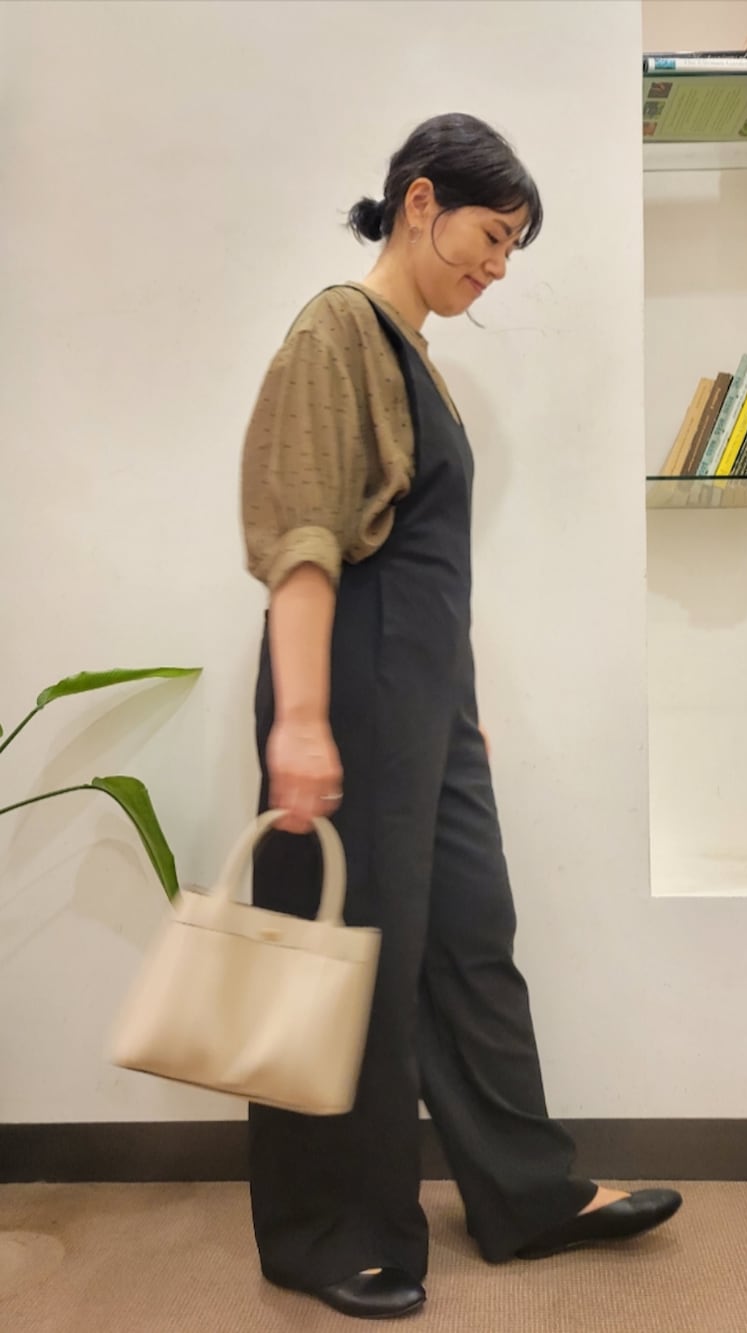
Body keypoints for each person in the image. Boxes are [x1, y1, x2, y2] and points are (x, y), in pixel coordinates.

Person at [240, 112, 682, 1322]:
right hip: (350, 688)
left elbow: (431, 565)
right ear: (421, 201)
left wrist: (460, 710)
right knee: (349, 962)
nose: (498, 267)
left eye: (513, 249)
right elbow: (302, 538)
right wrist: (304, 718)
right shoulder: (338, 329)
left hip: (426, 703)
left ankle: (527, 1192)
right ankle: (329, 1229)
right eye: (491, 236)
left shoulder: (418, 356)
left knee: (471, 938)